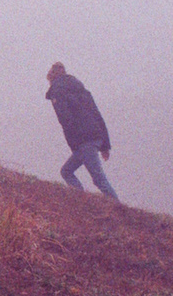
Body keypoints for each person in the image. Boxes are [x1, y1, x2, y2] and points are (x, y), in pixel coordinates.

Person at [45, 62, 119, 199]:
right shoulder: (81, 89)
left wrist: (75, 142)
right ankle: (81, 201)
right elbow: (97, 115)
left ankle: (120, 210)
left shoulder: (57, 91)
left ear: (51, 77)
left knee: (99, 179)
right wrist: (105, 146)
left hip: (84, 141)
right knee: (66, 171)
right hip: (94, 137)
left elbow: (65, 119)